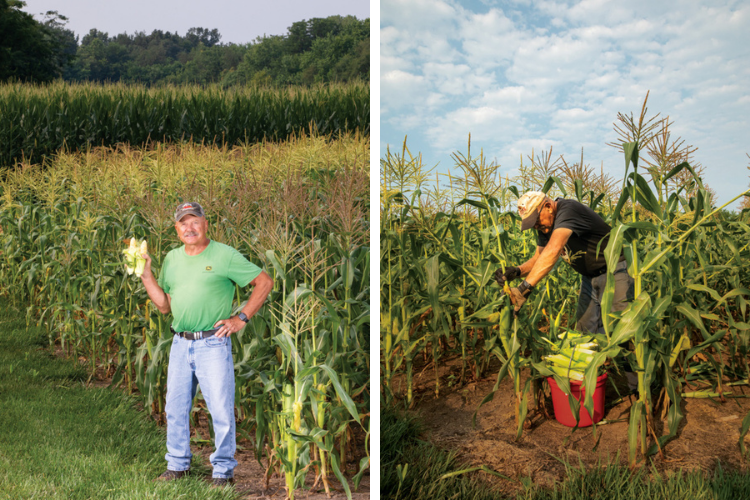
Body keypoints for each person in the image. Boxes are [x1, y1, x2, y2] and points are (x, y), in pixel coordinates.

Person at [140, 201, 274, 486]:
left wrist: (241, 318)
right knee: (175, 409)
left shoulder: (224, 255)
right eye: (183, 223)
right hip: (180, 342)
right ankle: (177, 466)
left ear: (205, 223)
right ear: (176, 229)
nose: (189, 227)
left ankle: (223, 473)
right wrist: (146, 275)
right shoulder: (172, 258)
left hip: (212, 343)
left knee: (221, 410)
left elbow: (264, 282)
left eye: (194, 221)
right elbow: (165, 306)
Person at [495, 191, 637, 389]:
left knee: (623, 333)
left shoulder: (568, 210)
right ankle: (591, 386)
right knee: (584, 334)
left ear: (547, 205)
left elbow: (554, 250)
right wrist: (517, 271)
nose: (538, 227)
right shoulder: (546, 224)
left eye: (537, 221)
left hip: (615, 273)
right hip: (589, 279)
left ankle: (638, 391)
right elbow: (540, 257)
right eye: (534, 225)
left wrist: (524, 288)